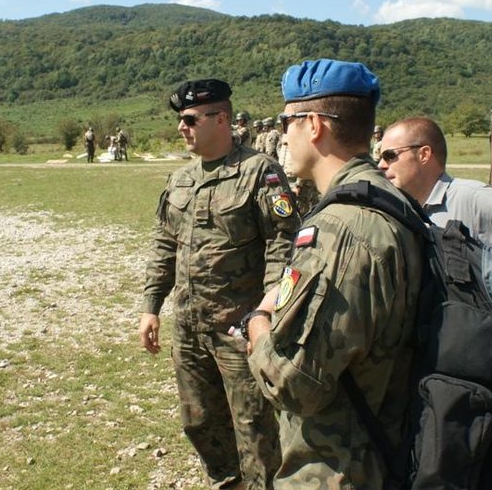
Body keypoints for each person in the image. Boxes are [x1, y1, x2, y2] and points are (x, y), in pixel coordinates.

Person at [246, 59, 423, 489]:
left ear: (313, 126)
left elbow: (297, 385)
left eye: (288, 120)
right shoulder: (390, 199)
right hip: (384, 448)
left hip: (338, 469)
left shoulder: (341, 230)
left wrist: (258, 323)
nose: (284, 134)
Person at [139, 78, 300, 490]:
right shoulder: (180, 180)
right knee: (200, 423)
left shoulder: (258, 172)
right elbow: (164, 244)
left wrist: (269, 313)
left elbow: (283, 244)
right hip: (189, 330)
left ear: (222, 118)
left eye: (190, 119)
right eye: (180, 120)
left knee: (255, 433)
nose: (182, 127)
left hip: (239, 331)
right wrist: (150, 307)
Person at [378, 116, 492, 284]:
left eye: (390, 155)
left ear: (424, 154)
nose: (381, 165)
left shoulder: (472, 197)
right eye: (380, 157)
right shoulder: (404, 207)